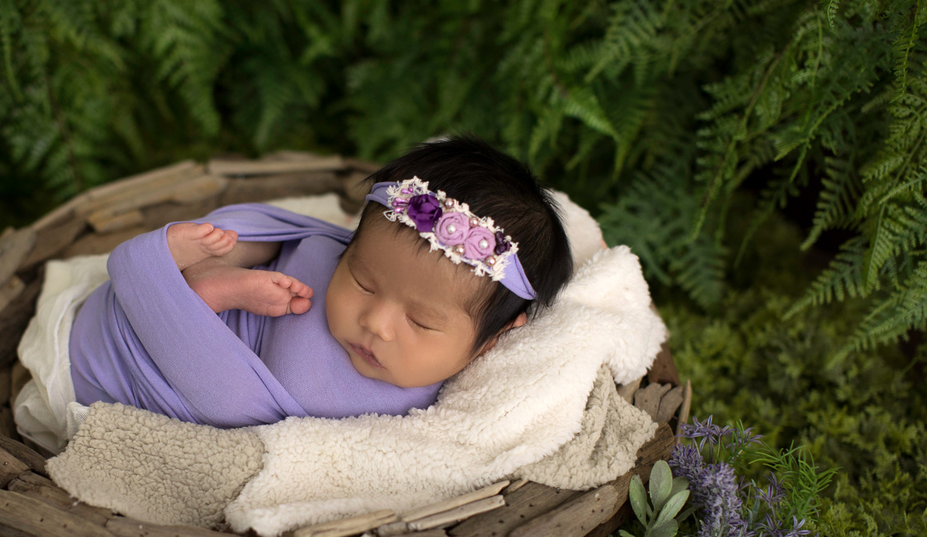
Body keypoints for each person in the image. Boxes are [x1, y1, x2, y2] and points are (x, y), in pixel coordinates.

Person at [67, 135, 574, 428]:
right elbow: (279, 232)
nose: (375, 321)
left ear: (494, 339)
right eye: (363, 280)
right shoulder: (325, 251)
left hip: (120, 374)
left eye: (420, 320)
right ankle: (195, 275)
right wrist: (219, 244)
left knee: (231, 409)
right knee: (235, 240)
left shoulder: (411, 413)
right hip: (114, 320)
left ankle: (189, 293)